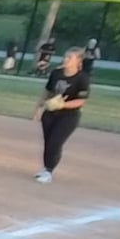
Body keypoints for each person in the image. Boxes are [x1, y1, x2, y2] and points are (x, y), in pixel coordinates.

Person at [33, 46, 90, 184]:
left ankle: (48, 171)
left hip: (69, 116)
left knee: (55, 142)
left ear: (78, 61)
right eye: (65, 56)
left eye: (70, 57)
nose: (66, 59)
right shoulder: (56, 73)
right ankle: (46, 168)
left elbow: (81, 101)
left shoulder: (82, 78)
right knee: (48, 142)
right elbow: (47, 92)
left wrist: (62, 105)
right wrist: (39, 108)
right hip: (50, 113)